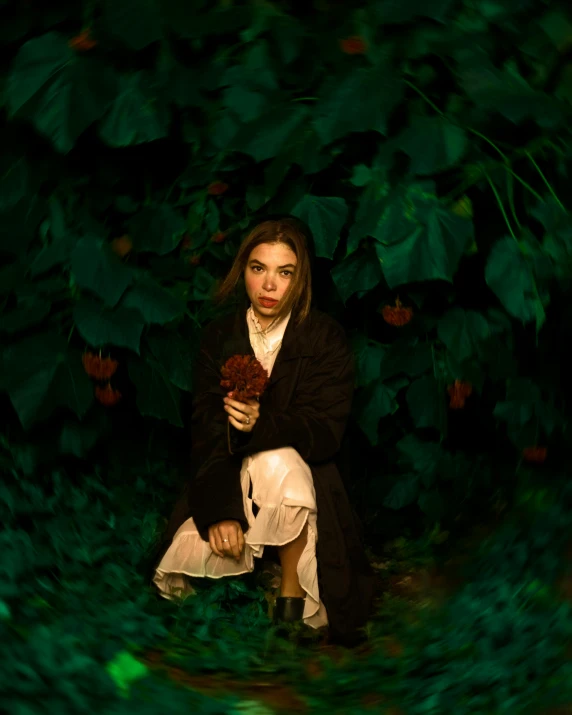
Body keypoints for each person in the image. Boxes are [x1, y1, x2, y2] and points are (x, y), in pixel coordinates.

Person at [149, 217, 375, 647]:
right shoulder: (220, 336)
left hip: (303, 475)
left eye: (284, 272)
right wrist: (221, 510)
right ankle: (233, 603)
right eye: (258, 269)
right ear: (243, 271)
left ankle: (290, 593)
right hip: (228, 466)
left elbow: (326, 432)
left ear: (301, 278)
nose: (269, 285)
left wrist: (261, 424)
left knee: (279, 459)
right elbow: (207, 429)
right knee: (187, 560)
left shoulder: (324, 337)